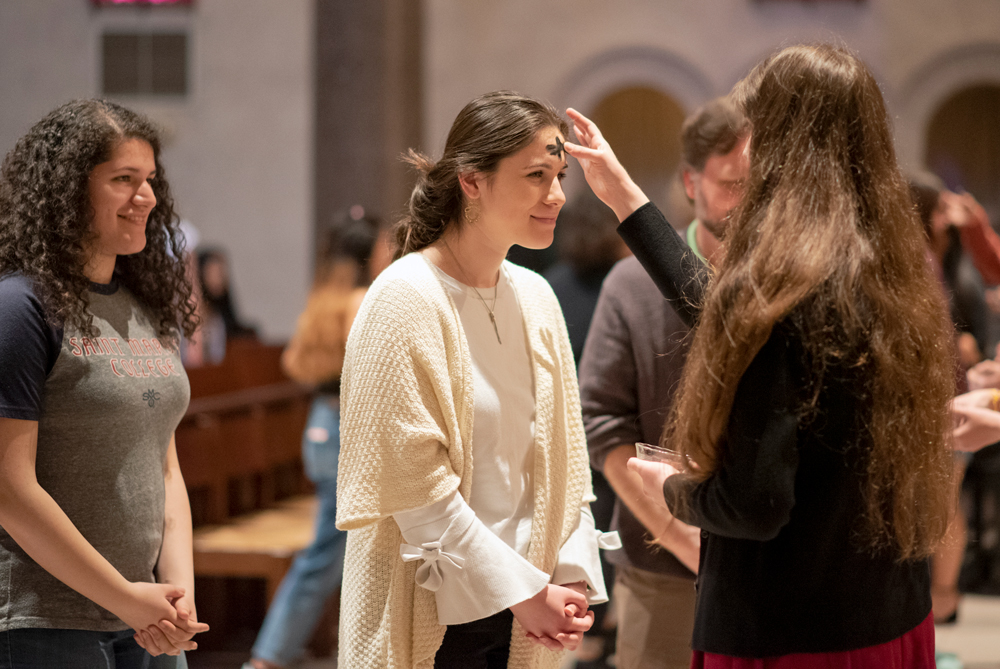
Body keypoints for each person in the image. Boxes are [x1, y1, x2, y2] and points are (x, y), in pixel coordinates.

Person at [566, 44, 956, 667]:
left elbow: (753, 506)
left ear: (780, 144)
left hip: (788, 635)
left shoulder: (781, 292)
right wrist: (629, 203)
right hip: (888, 614)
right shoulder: (887, 267)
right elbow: (735, 321)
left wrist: (676, 491)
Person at [335, 91, 618, 669]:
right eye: (536, 175)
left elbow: (566, 465)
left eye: (560, 175)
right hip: (438, 616)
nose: (557, 195)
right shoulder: (403, 298)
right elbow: (416, 491)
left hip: (526, 617)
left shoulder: (537, 297)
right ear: (472, 182)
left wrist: (570, 582)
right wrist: (527, 594)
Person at [0, 99, 209, 667]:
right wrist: (127, 600)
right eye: (123, 179)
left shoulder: (146, 306)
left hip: (147, 617)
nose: (145, 197)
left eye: (148, 180)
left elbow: (165, 468)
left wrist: (177, 600)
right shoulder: (21, 307)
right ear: (70, 191)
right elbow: (9, 490)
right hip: (48, 621)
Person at [579, 96, 748, 669]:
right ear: (691, 181)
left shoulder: (787, 281)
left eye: (760, 184)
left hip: (771, 565)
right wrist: (680, 536)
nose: (747, 201)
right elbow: (600, 423)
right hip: (663, 570)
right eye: (730, 183)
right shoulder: (630, 284)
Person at [244, 211, 380, 669]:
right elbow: (368, 375)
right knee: (326, 555)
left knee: (335, 552)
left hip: (321, 421)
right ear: (370, 252)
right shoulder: (362, 298)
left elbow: (294, 365)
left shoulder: (324, 297)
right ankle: (266, 660)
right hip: (348, 427)